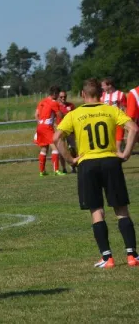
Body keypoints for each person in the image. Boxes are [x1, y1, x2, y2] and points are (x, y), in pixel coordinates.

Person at [54, 78, 139, 269]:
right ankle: (132, 255)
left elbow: (57, 137)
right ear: (101, 95)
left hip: (87, 164)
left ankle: (107, 257)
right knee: (121, 209)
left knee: (97, 211)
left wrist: (70, 159)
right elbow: (133, 128)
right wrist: (125, 153)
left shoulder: (75, 114)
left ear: (83, 95)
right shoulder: (110, 110)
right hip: (110, 161)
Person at [34, 86, 64, 176]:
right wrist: (60, 125)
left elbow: (36, 115)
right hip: (47, 127)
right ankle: (56, 170)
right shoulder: (53, 103)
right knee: (55, 148)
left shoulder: (42, 101)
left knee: (44, 148)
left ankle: (42, 171)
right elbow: (59, 115)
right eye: (58, 94)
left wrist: (40, 123)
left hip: (40, 127)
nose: (59, 96)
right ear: (55, 94)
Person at [100, 77, 127, 152]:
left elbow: (125, 109)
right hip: (106, 123)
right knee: (107, 144)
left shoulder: (121, 94)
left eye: (103, 85)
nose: (102, 87)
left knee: (117, 146)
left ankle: (119, 157)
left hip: (118, 123)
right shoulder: (102, 96)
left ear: (109, 85)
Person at [57, 91, 77, 174]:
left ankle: (73, 167)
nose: (63, 98)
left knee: (72, 148)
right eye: (61, 97)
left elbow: (75, 116)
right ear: (58, 97)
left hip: (70, 130)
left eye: (64, 96)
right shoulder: (56, 106)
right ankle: (64, 168)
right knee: (61, 149)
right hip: (60, 130)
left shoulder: (71, 105)